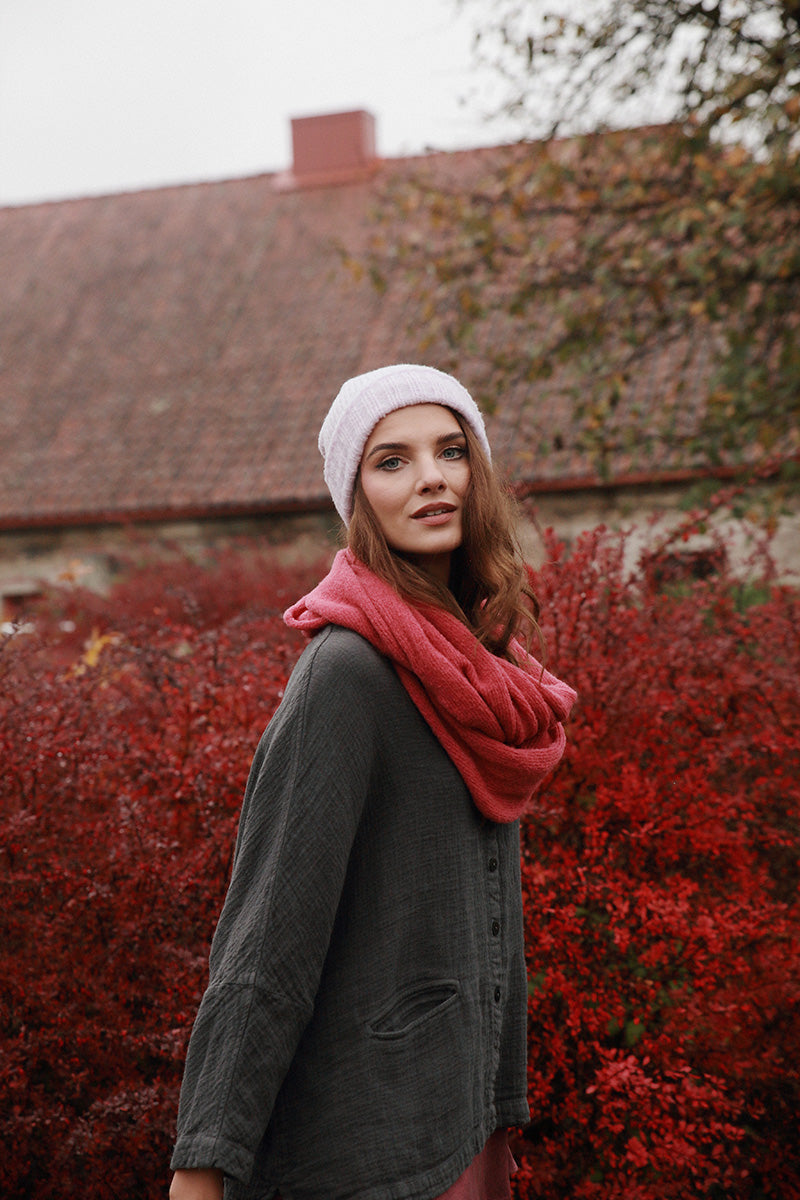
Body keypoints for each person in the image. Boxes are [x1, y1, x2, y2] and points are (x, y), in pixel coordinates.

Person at [169, 364, 576, 1200]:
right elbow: (269, 934)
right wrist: (203, 1166)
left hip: (466, 1110)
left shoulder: (486, 668)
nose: (431, 477)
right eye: (392, 460)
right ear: (356, 498)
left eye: (451, 451)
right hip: (372, 1142)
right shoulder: (347, 674)